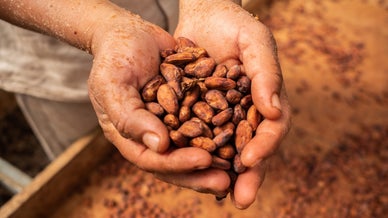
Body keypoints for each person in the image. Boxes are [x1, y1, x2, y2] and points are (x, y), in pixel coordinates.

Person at [0, 0, 291, 209]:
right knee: (87, 157)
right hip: (58, 61)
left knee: (164, 142)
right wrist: (100, 28)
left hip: (181, 18)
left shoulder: (193, 92)